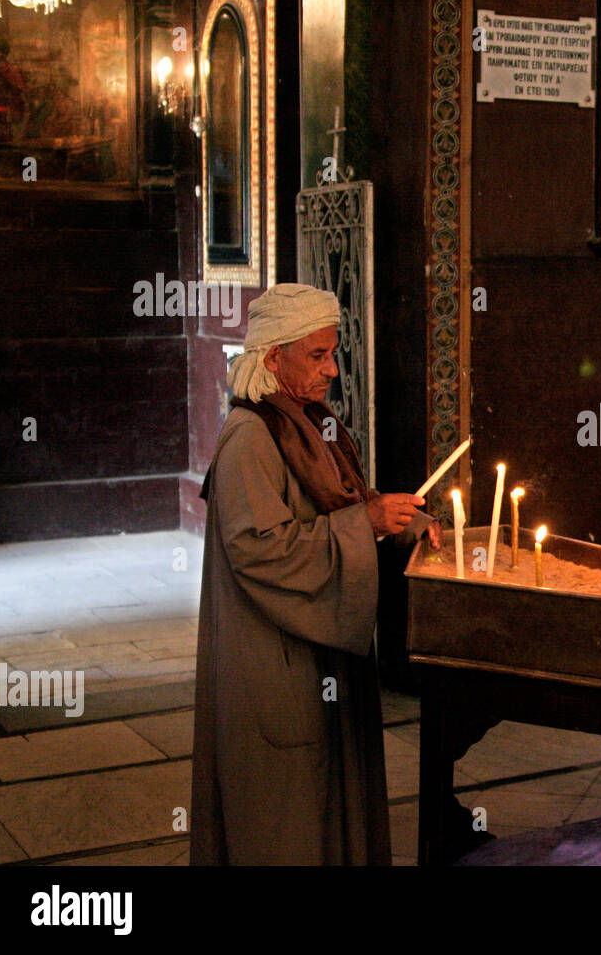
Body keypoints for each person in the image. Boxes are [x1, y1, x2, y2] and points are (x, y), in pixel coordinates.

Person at [190, 283, 440, 865]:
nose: (331, 370)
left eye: (334, 353)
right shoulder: (250, 436)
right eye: (317, 356)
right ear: (273, 357)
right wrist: (364, 523)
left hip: (314, 657)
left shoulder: (304, 422)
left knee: (324, 805)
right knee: (282, 821)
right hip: (272, 660)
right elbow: (261, 549)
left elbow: (341, 504)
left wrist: (398, 521)